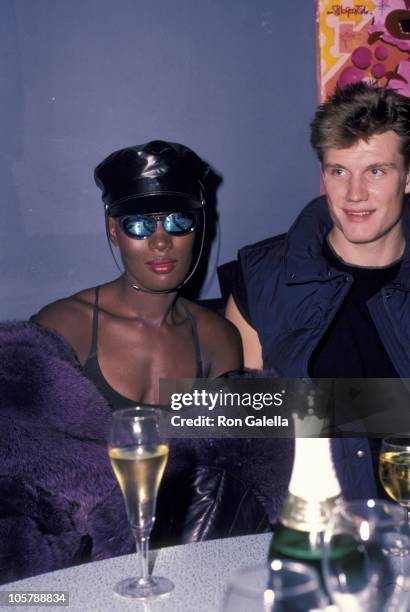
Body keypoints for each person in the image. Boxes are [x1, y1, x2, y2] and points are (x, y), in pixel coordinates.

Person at [226, 82, 410, 494]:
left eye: (376, 171)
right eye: (338, 171)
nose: (354, 193)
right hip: (316, 529)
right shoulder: (262, 279)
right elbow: (238, 422)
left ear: (408, 177)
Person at [34, 140, 242, 407]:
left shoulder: (217, 338)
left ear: (198, 225)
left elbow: (231, 444)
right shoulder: (66, 327)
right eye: (140, 225)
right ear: (113, 230)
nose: (160, 241)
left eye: (177, 220)